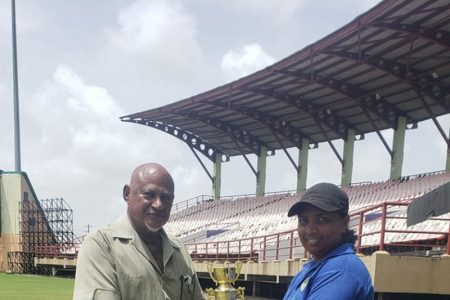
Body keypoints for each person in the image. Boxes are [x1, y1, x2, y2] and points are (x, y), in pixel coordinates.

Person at [73, 163, 204, 300]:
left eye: (166, 198)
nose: (158, 204)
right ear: (127, 194)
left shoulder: (179, 250)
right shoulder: (101, 245)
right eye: (149, 195)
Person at [283, 182, 374, 300]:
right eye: (303, 221)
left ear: (344, 223)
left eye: (321, 219)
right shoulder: (312, 267)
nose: (310, 230)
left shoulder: (342, 268)